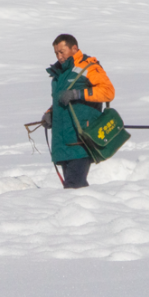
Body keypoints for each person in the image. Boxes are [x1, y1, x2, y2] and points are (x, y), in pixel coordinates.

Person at [41, 34, 115, 189]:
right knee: (72, 187)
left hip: (81, 140)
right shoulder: (59, 74)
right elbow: (60, 100)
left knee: (74, 186)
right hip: (63, 141)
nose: (59, 56)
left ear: (74, 48)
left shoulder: (89, 67)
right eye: (56, 53)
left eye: (62, 52)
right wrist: (50, 113)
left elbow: (108, 92)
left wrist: (78, 94)